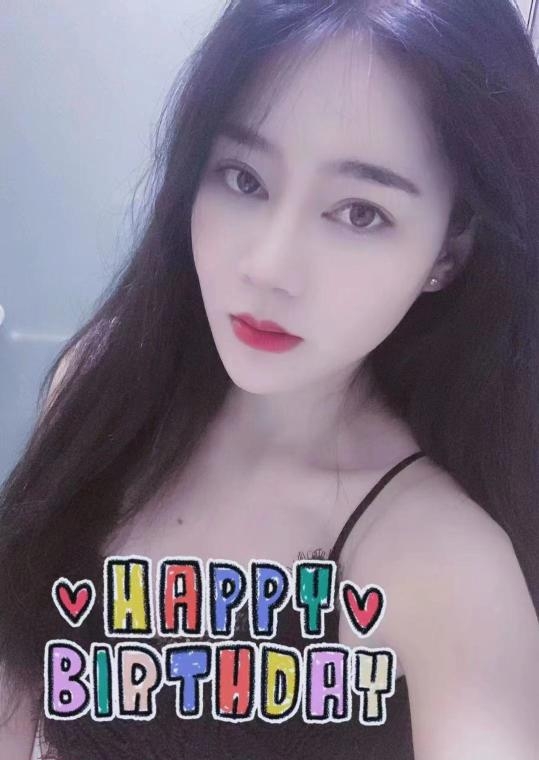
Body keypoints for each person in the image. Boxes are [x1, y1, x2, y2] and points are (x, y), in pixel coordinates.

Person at [1, 0, 539, 758]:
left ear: (448, 254)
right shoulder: (98, 388)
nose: (267, 266)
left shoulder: (442, 564)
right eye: (244, 178)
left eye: (360, 212)